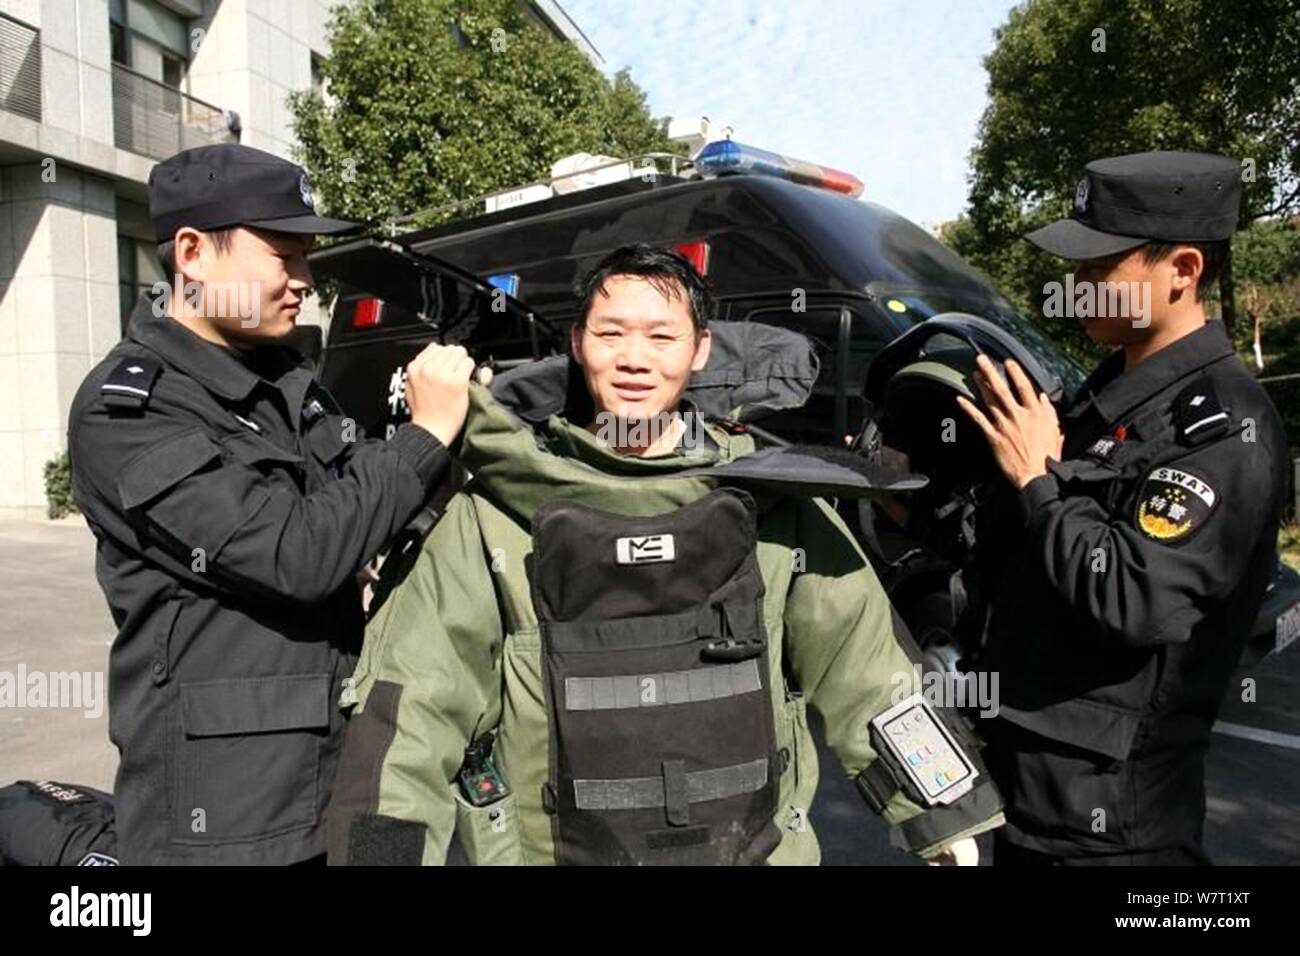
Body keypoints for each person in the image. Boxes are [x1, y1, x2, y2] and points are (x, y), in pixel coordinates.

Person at [325, 244, 1004, 866]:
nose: (634, 358)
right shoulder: (495, 515)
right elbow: (412, 708)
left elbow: (867, 669)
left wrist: (945, 814)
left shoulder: (773, 502)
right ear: (576, 343)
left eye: (661, 335)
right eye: (611, 333)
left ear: (701, 349)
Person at [68, 143, 478, 864]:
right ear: (192, 253)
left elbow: (358, 505)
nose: (302, 282)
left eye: (306, 259)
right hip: (228, 816)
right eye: (282, 257)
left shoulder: (285, 375)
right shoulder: (129, 412)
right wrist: (423, 437)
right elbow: (296, 554)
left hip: (344, 771)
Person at [958, 151, 1288, 865]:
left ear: (1184, 271)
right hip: (1025, 802)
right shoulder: (1098, 401)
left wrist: (1038, 481)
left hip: (1113, 835)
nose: (1080, 287)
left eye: (1102, 268)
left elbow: (1133, 597)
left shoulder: (1225, 427)